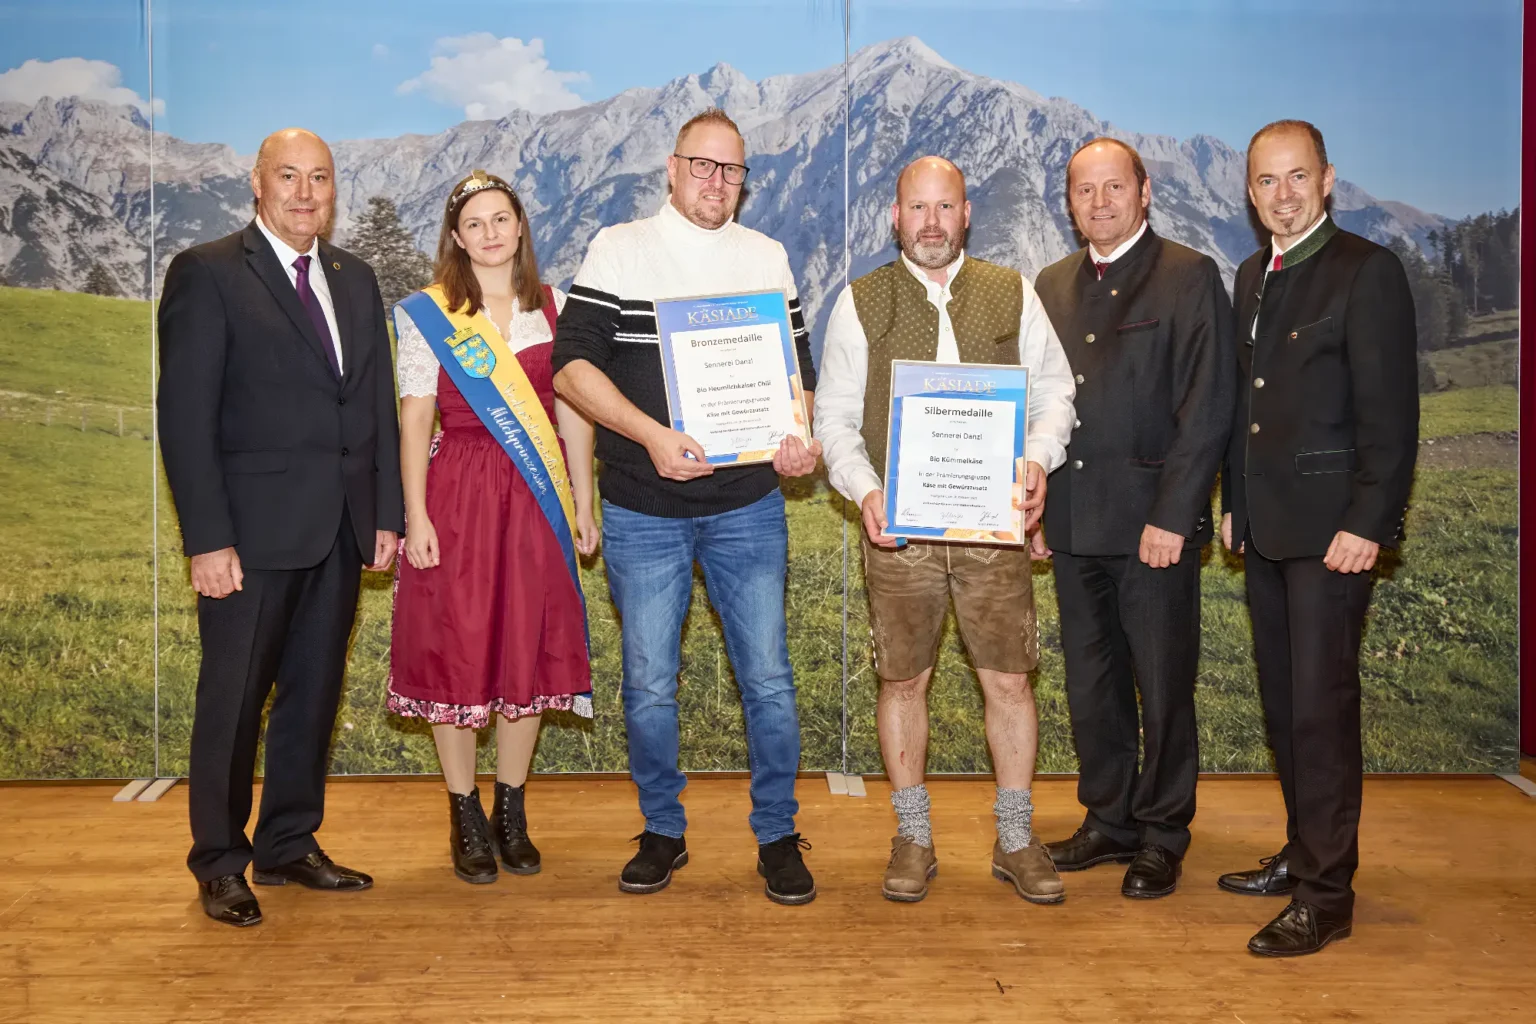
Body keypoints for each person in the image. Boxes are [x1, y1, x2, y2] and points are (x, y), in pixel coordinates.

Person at [551, 108, 822, 905]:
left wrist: (797, 439)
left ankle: (777, 835)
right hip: (642, 506)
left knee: (769, 679)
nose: (716, 182)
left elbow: (796, 378)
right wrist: (651, 435)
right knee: (648, 685)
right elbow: (571, 369)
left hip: (748, 505)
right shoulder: (619, 248)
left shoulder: (765, 256)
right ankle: (663, 831)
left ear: (745, 179)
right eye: (702, 166)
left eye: (732, 170)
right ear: (670, 169)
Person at [814, 156, 1077, 904]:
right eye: (916, 208)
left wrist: (1035, 460)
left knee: (1008, 679)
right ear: (895, 217)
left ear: (966, 215)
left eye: (945, 208)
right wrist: (865, 492)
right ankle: (913, 835)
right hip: (900, 530)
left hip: (994, 526)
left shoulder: (1011, 291)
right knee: (904, 679)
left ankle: (1017, 837)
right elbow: (832, 418)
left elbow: (1055, 390)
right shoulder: (860, 302)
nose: (931, 223)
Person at [158, 128, 404, 927]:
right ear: (256, 184)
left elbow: (373, 409)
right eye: (288, 176)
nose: (306, 193)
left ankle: (288, 843)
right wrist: (206, 539)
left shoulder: (355, 278)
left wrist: (385, 517)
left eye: (320, 178)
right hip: (247, 536)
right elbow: (185, 421)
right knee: (232, 701)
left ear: (336, 190)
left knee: (312, 694)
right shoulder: (209, 272)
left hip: (336, 531)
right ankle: (221, 861)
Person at [1219, 120, 1418, 956]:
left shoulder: (1366, 272)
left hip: (1333, 534)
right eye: (1267, 182)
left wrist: (1368, 524)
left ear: (1328, 180)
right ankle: (1304, 855)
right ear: (1251, 191)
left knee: (1321, 712)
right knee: (1284, 702)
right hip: (1264, 527)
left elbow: (1392, 416)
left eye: (1298, 178)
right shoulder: (1249, 276)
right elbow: (1247, 401)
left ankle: (1327, 896)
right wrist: (1232, 498)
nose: (1283, 196)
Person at [1034, 139, 1236, 898]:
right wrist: (1035, 509)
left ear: (1144, 192)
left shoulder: (1187, 276)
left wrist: (1174, 515)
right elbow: (1038, 402)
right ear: (1070, 200)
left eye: (1113, 187)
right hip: (1075, 518)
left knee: (1162, 681)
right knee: (1092, 683)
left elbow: (1208, 407)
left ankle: (1162, 832)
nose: (1099, 202)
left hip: (1153, 525)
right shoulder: (1051, 284)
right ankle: (1108, 819)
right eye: (1083, 190)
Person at [387, 170, 598, 885]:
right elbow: (415, 417)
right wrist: (414, 513)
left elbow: (571, 413)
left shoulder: (555, 306)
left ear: (519, 226)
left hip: (537, 499)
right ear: (456, 236)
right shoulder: (430, 313)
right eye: (474, 223)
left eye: (500, 218)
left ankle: (512, 808)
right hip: (460, 495)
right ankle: (464, 812)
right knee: (458, 646)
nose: (489, 233)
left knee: (525, 648)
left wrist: (583, 501)